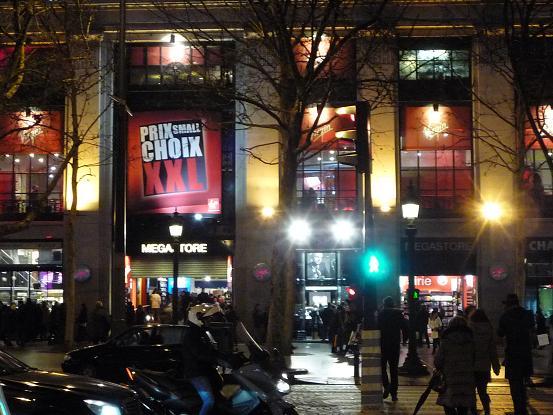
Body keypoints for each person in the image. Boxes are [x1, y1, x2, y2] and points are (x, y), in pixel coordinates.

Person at [182, 303, 223, 415]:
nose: (209, 321)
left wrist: (224, 356)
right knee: (209, 401)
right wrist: (216, 359)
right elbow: (199, 354)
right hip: (196, 373)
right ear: (198, 318)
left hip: (206, 370)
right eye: (207, 319)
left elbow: (211, 349)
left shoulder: (202, 332)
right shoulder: (192, 335)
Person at [498, 293, 534, 415]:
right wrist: (543, 344)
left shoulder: (505, 316)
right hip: (526, 354)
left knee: (515, 384)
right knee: (523, 384)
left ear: (508, 304)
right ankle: (523, 408)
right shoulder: (528, 314)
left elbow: (500, 333)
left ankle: (518, 410)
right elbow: (535, 331)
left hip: (512, 354)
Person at [435, 316, 476, 415]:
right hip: (467, 378)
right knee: (463, 406)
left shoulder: (446, 341)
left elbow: (438, 360)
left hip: (450, 377)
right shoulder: (471, 341)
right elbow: (475, 358)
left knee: (448, 404)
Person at [469, 309, 500, 415]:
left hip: (471, 365)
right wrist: (496, 366)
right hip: (484, 365)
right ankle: (487, 409)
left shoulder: (469, 329)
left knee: (471, 391)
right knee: (482, 390)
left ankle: (473, 411)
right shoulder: (488, 329)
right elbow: (492, 350)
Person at [378, 296, 403, 401]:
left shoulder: (380, 314)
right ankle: (394, 394)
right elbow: (405, 327)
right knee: (394, 370)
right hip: (394, 344)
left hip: (383, 344)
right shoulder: (398, 314)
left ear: (384, 304)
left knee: (382, 368)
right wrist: (404, 339)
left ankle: (386, 385)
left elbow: (376, 327)